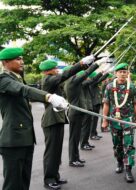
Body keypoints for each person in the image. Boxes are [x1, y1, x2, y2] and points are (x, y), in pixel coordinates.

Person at [0, 47, 68, 190]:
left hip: (25, 137)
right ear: (5, 62)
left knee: (24, 182)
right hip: (13, 140)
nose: (22, 61)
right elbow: (24, 90)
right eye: (17, 59)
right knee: (13, 185)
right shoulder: (3, 79)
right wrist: (48, 96)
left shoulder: (17, 78)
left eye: (21, 58)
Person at [39, 55, 95, 189]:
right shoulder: (48, 80)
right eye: (54, 68)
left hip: (57, 118)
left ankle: (55, 176)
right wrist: (81, 63)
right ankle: (49, 179)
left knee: (57, 151)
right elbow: (66, 74)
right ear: (47, 71)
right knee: (51, 152)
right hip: (51, 120)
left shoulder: (52, 80)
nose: (57, 70)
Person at [102, 63, 136, 183]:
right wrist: (104, 120)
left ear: (127, 73)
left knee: (129, 145)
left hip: (128, 120)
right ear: (116, 73)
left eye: (125, 72)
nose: (123, 74)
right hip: (114, 120)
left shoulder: (133, 87)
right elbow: (106, 104)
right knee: (117, 144)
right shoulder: (109, 87)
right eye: (120, 72)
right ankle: (119, 163)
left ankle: (128, 169)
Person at [64, 63, 99, 166]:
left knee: (76, 137)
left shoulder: (74, 81)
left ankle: (76, 157)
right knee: (74, 138)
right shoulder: (72, 81)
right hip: (75, 113)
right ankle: (72, 160)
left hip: (77, 113)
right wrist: (97, 64)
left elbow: (86, 77)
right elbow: (86, 73)